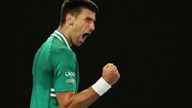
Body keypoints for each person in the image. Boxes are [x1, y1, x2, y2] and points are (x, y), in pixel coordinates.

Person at [30, 0, 120, 108]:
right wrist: (105, 83)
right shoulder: (62, 53)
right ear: (70, 19)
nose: (93, 27)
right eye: (88, 20)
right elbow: (68, 105)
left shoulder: (45, 48)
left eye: (93, 21)